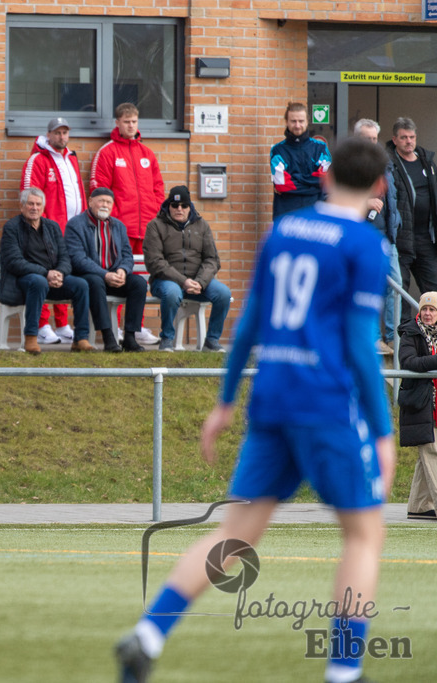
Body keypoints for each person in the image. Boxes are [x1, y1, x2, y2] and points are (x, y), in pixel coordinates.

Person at [116, 137, 396, 683]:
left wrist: (224, 402)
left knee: (234, 535)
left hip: (272, 399)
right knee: (363, 535)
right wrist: (383, 431)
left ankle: (151, 632)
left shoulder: (283, 232)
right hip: (325, 403)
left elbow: (248, 324)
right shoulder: (366, 246)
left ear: (326, 176)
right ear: (380, 187)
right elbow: (362, 344)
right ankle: (344, 669)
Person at [90, 103, 164, 346]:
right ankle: (117, 327)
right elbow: (98, 188)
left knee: (141, 278)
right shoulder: (108, 152)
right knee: (120, 275)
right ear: (117, 123)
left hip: (147, 228)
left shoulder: (147, 154)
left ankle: (137, 326)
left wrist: (156, 217)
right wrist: (111, 219)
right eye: (126, 121)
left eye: (134, 121)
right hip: (119, 230)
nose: (131, 125)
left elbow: (158, 189)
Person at [0, 188, 93, 355]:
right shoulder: (12, 227)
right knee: (38, 281)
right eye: (30, 204)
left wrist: (59, 273)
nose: (34, 207)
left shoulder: (52, 227)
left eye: (38, 204)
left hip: (50, 280)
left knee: (81, 284)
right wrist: (45, 273)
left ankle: (80, 338)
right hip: (22, 282)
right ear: (22, 206)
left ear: (43, 207)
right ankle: (31, 338)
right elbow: (14, 262)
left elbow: (65, 257)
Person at [21, 117, 87, 345]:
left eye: (65, 132)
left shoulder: (71, 158)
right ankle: (41, 325)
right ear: (48, 134)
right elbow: (30, 195)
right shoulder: (37, 160)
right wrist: (40, 227)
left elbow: (78, 192)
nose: (62, 137)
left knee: (64, 275)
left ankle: (62, 324)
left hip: (71, 230)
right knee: (43, 275)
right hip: (47, 231)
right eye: (57, 133)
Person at [143, 186, 231, 352]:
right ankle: (167, 339)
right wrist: (183, 281)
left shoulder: (201, 225)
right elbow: (155, 262)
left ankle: (211, 340)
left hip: (197, 281)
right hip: (165, 281)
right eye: (175, 205)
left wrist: (200, 282)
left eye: (184, 205)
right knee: (172, 293)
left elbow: (212, 259)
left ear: (190, 207)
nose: (179, 209)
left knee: (223, 294)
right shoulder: (155, 226)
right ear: (169, 205)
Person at [65, 187, 147, 352]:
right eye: (101, 201)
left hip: (115, 275)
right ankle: (108, 337)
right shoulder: (75, 224)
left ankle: (130, 337)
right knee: (95, 282)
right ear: (90, 202)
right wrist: (105, 274)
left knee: (138, 283)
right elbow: (78, 259)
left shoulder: (119, 226)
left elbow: (127, 255)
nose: (105, 205)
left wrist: (123, 270)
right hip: (90, 276)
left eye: (109, 202)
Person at [353, 118, 402, 354]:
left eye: (375, 138)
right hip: (364, 239)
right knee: (368, 289)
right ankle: (373, 338)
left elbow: (393, 200)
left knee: (395, 288)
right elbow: (331, 203)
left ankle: (394, 338)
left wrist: (397, 224)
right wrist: (365, 202)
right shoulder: (346, 166)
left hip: (388, 239)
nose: (372, 143)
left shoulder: (386, 164)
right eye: (367, 138)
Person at [386, 117, 437, 322]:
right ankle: (405, 338)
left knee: (432, 287)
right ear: (395, 139)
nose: (409, 141)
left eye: (412, 137)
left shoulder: (427, 161)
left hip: (426, 237)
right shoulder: (390, 164)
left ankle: (432, 335)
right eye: (404, 137)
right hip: (402, 237)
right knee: (401, 290)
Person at [396, 291, 437, 521]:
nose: (428, 314)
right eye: (425, 309)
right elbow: (409, 362)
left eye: (432, 310)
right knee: (433, 452)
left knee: (427, 457)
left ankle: (419, 506)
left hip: (436, 406)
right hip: (422, 405)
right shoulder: (410, 333)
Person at [270, 102, 332, 219]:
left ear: (307, 122)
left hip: (316, 214)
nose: (297, 125)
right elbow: (281, 185)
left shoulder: (320, 148)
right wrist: (312, 184)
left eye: (301, 121)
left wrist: (296, 178)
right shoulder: (278, 150)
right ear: (286, 122)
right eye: (293, 121)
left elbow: (324, 180)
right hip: (286, 216)